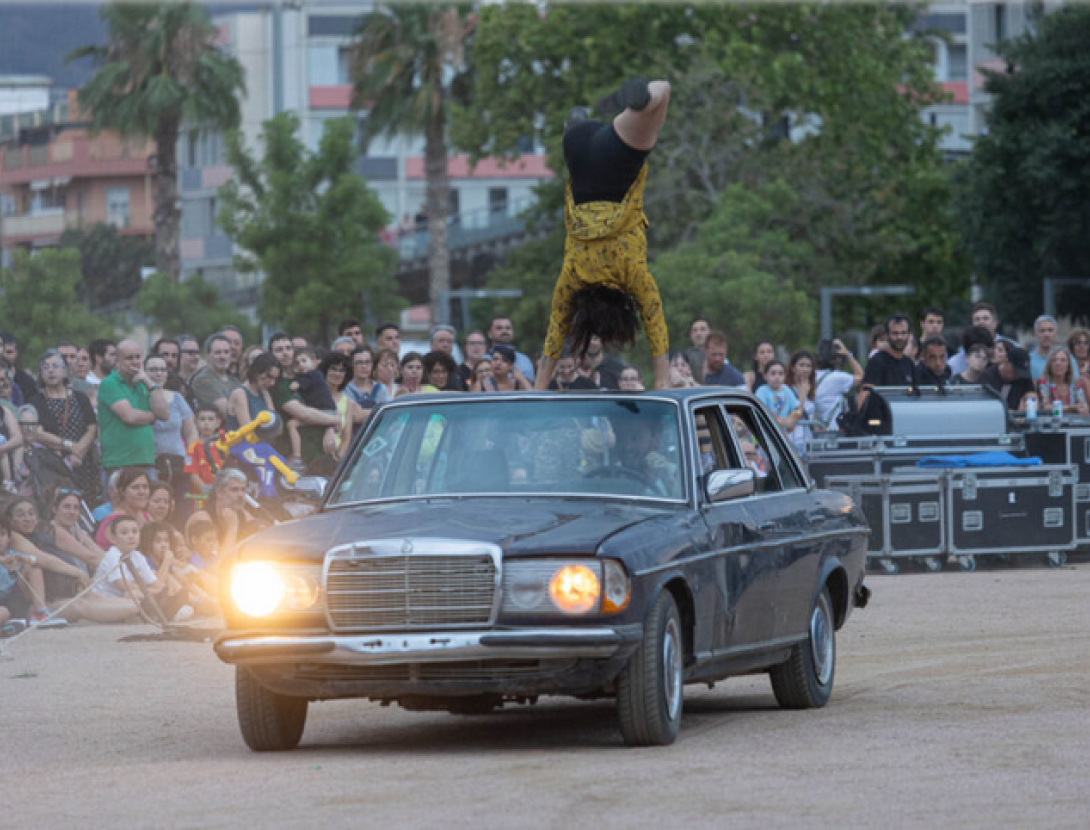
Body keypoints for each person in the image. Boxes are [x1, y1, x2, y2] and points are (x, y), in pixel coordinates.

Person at [534, 78, 672, 392]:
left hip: (617, 164)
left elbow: (655, 323)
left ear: (623, 307)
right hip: (577, 152)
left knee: (662, 91)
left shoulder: (632, 274)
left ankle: (644, 99)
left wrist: (662, 380)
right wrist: (539, 384)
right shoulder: (573, 277)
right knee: (596, 131)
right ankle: (577, 123)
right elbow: (555, 332)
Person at [27, 350, 100, 503]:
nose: (51, 370)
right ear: (40, 373)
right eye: (45, 367)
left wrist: (78, 452)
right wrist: (70, 446)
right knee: (57, 504)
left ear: (65, 371)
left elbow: (92, 428)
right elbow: (37, 433)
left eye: (55, 366)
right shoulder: (35, 401)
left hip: (83, 462)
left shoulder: (80, 397)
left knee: (86, 505)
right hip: (52, 464)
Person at [97, 339, 170, 480]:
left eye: (138, 357)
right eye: (129, 358)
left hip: (146, 461)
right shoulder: (109, 383)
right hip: (119, 462)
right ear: (117, 361)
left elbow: (165, 414)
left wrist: (150, 384)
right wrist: (153, 416)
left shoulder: (143, 384)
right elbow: (129, 417)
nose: (135, 361)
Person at [146, 354, 196, 502]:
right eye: (153, 369)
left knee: (181, 508)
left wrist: (190, 457)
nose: (159, 373)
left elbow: (191, 431)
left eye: (163, 369)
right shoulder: (139, 397)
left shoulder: (177, 397)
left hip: (178, 462)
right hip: (152, 463)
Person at [860, 314, 916, 401]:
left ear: (909, 335)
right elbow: (865, 395)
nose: (899, 337)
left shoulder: (909, 363)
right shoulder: (877, 361)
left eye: (903, 333)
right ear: (886, 335)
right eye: (895, 333)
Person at [94, 467, 152, 549]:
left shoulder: (146, 516)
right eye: (135, 487)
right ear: (122, 491)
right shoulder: (114, 521)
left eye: (145, 487)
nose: (141, 492)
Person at [189, 334, 242, 422]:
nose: (223, 356)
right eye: (218, 352)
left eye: (226, 352)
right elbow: (227, 413)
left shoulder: (235, 380)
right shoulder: (202, 380)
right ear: (208, 355)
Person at [812, 338, 862, 429]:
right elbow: (861, 376)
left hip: (818, 430)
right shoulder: (836, 378)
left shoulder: (812, 375)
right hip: (834, 429)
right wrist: (847, 354)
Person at [317, 352, 358, 458]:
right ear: (325, 370)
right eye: (334, 369)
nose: (337, 374)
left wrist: (339, 457)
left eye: (341, 371)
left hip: (335, 457)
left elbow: (346, 438)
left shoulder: (347, 402)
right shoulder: (314, 395)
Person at [184, 403, 225, 509]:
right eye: (202, 419)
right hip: (201, 498)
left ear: (218, 423)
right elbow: (192, 475)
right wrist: (208, 491)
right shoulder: (193, 447)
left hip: (223, 497)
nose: (206, 423)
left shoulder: (224, 446)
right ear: (196, 423)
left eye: (210, 419)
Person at [227, 353, 281, 432]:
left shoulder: (265, 393)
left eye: (275, 379)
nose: (272, 383)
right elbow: (247, 430)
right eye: (269, 377)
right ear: (258, 371)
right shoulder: (240, 394)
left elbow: (274, 423)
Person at [982, 342, 1035, 412]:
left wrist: (1031, 404)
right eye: (1015, 370)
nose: (1018, 375)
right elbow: (986, 406)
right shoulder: (987, 377)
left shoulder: (1024, 377)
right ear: (1006, 360)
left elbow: (1032, 396)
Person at [755, 361, 805, 434]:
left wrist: (791, 420)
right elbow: (762, 413)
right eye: (773, 373)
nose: (777, 376)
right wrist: (781, 421)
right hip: (765, 434)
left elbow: (797, 409)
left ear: (784, 376)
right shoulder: (762, 390)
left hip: (781, 435)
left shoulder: (786, 389)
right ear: (765, 376)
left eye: (780, 373)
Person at [1038, 348, 1090, 415]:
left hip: (1074, 421)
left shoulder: (1075, 383)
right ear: (1049, 364)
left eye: (1063, 360)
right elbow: (1046, 407)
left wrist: (1083, 409)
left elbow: (1083, 404)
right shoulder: (1043, 382)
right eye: (1054, 360)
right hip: (1051, 421)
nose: (1058, 363)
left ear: (1068, 365)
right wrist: (1071, 407)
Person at [785, 351, 816, 452]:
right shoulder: (786, 390)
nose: (805, 369)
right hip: (792, 443)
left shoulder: (810, 390)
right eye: (801, 365)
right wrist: (801, 397)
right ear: (793, 368)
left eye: (808, 366)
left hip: (808, 444)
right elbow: (793, 417)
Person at [345, 346, 389, 413]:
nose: (364, 366)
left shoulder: (381, 388)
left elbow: (388, 413)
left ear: (372, 364)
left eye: (367, 362)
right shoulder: (346, 390)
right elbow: (354, 416)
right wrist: (378, 412)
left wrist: (362, 412)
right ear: (352, 364)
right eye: (359, 362)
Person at [1030, 315, 1059, 381]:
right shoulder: (1028, 361)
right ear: (1035, 334)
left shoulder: (1068, 359)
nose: (1046, 334)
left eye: (1050, 330)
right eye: (1042, 331)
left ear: (1056, 333)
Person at [683, 317, 711, 384]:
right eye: (695, 330)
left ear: (710, 332)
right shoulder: (684, 358)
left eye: (702, 329)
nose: (698, 333)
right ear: (691, 335)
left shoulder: (718, 356)